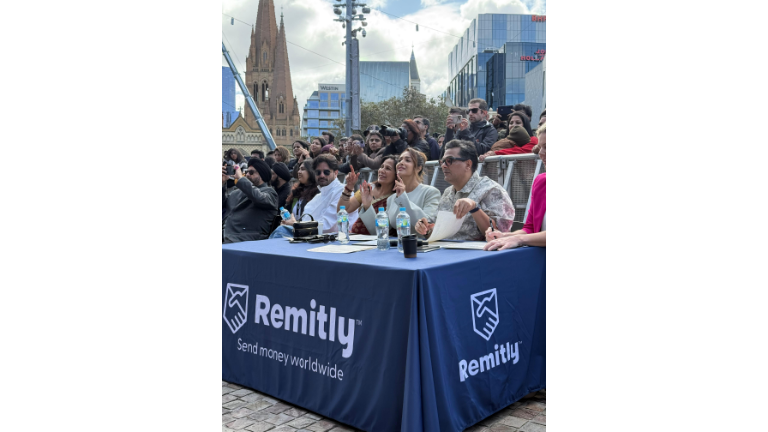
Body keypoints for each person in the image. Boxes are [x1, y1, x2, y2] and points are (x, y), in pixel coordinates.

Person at [416, 140, 515, 241]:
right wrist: (425, 228)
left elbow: (499, 235)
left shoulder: (491, 190)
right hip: (446, 251)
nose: (443, 166)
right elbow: (436, 227)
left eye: (449, 160)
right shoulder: (448, 192)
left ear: (468, 164)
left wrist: (475, 208)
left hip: (479, 254)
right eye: (442, 161)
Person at [485, 122, 546, 250]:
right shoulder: (540, 181)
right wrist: (505, 236)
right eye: (540, 147)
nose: (541, 153)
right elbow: (529, 228)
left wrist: (518, 239)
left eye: (546, 146)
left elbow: (525, 236)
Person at [277, 155, 359, 236]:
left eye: (326, 172)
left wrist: (296, 224)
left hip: (336, 240)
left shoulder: (342, 191)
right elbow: (306, 220)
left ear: (336, 173)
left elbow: (329, 226)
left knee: (282, 230)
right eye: (318, 172)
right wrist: (293, 223)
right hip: (314, 238)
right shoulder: (317, 198)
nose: (322, 175)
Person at [337, 156, 398, 235]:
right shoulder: (369, 188)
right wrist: (349, 187)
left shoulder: (397, 197)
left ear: (396, 174)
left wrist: (367, 205)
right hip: (356, 238)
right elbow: (343, 210)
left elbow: (382, 230)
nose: (382, 170)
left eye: (388, 168)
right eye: (382, 167)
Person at [221, 158, 278, 243]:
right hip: (226, 236)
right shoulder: (236, 193)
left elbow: (257, 197)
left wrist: (240, 178)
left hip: (245, 240)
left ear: (262, 174)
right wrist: (222, 183)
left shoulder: (270, 193)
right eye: (246, 172)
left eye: (251, 172)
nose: (247, 175)